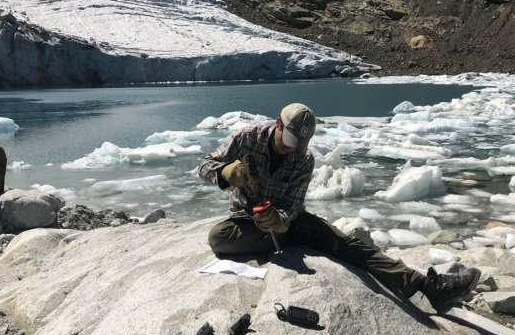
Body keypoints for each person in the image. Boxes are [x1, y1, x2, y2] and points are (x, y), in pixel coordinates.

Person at [198, 102, 480, 312]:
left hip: (288, 223)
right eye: (288, 141)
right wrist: (225, 173)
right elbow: (205, 166)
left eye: (299, 144)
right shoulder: (248, 137)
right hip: (246, 221)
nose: (291, 149)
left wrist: (281, 221)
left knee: (348, 245)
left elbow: (293, 207)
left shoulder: (302, 158)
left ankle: (427, 287)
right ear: (278, 124)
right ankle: (276, 240)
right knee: (218, 239)